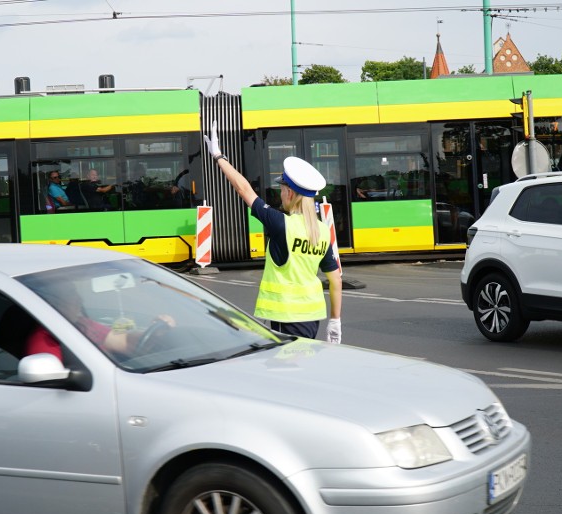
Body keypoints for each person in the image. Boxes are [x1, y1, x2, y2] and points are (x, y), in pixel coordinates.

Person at [204, 120, 343, 344]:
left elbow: (243, 189)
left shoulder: (281, 224)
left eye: (282, 189)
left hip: (286, 316)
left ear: (289, 193)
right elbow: (335, 278)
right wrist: (335, 320)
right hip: (312, 316)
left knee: (289, 371)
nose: (280, 194)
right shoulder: (322, 230)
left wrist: (219, 157)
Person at [25, 286, 175, 358]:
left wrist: (155, 332)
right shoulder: (45, 338)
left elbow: (123, 341)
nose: (80, 300)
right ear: (53, 302)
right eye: (71, 295)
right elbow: (50, 380)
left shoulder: (83, 324)